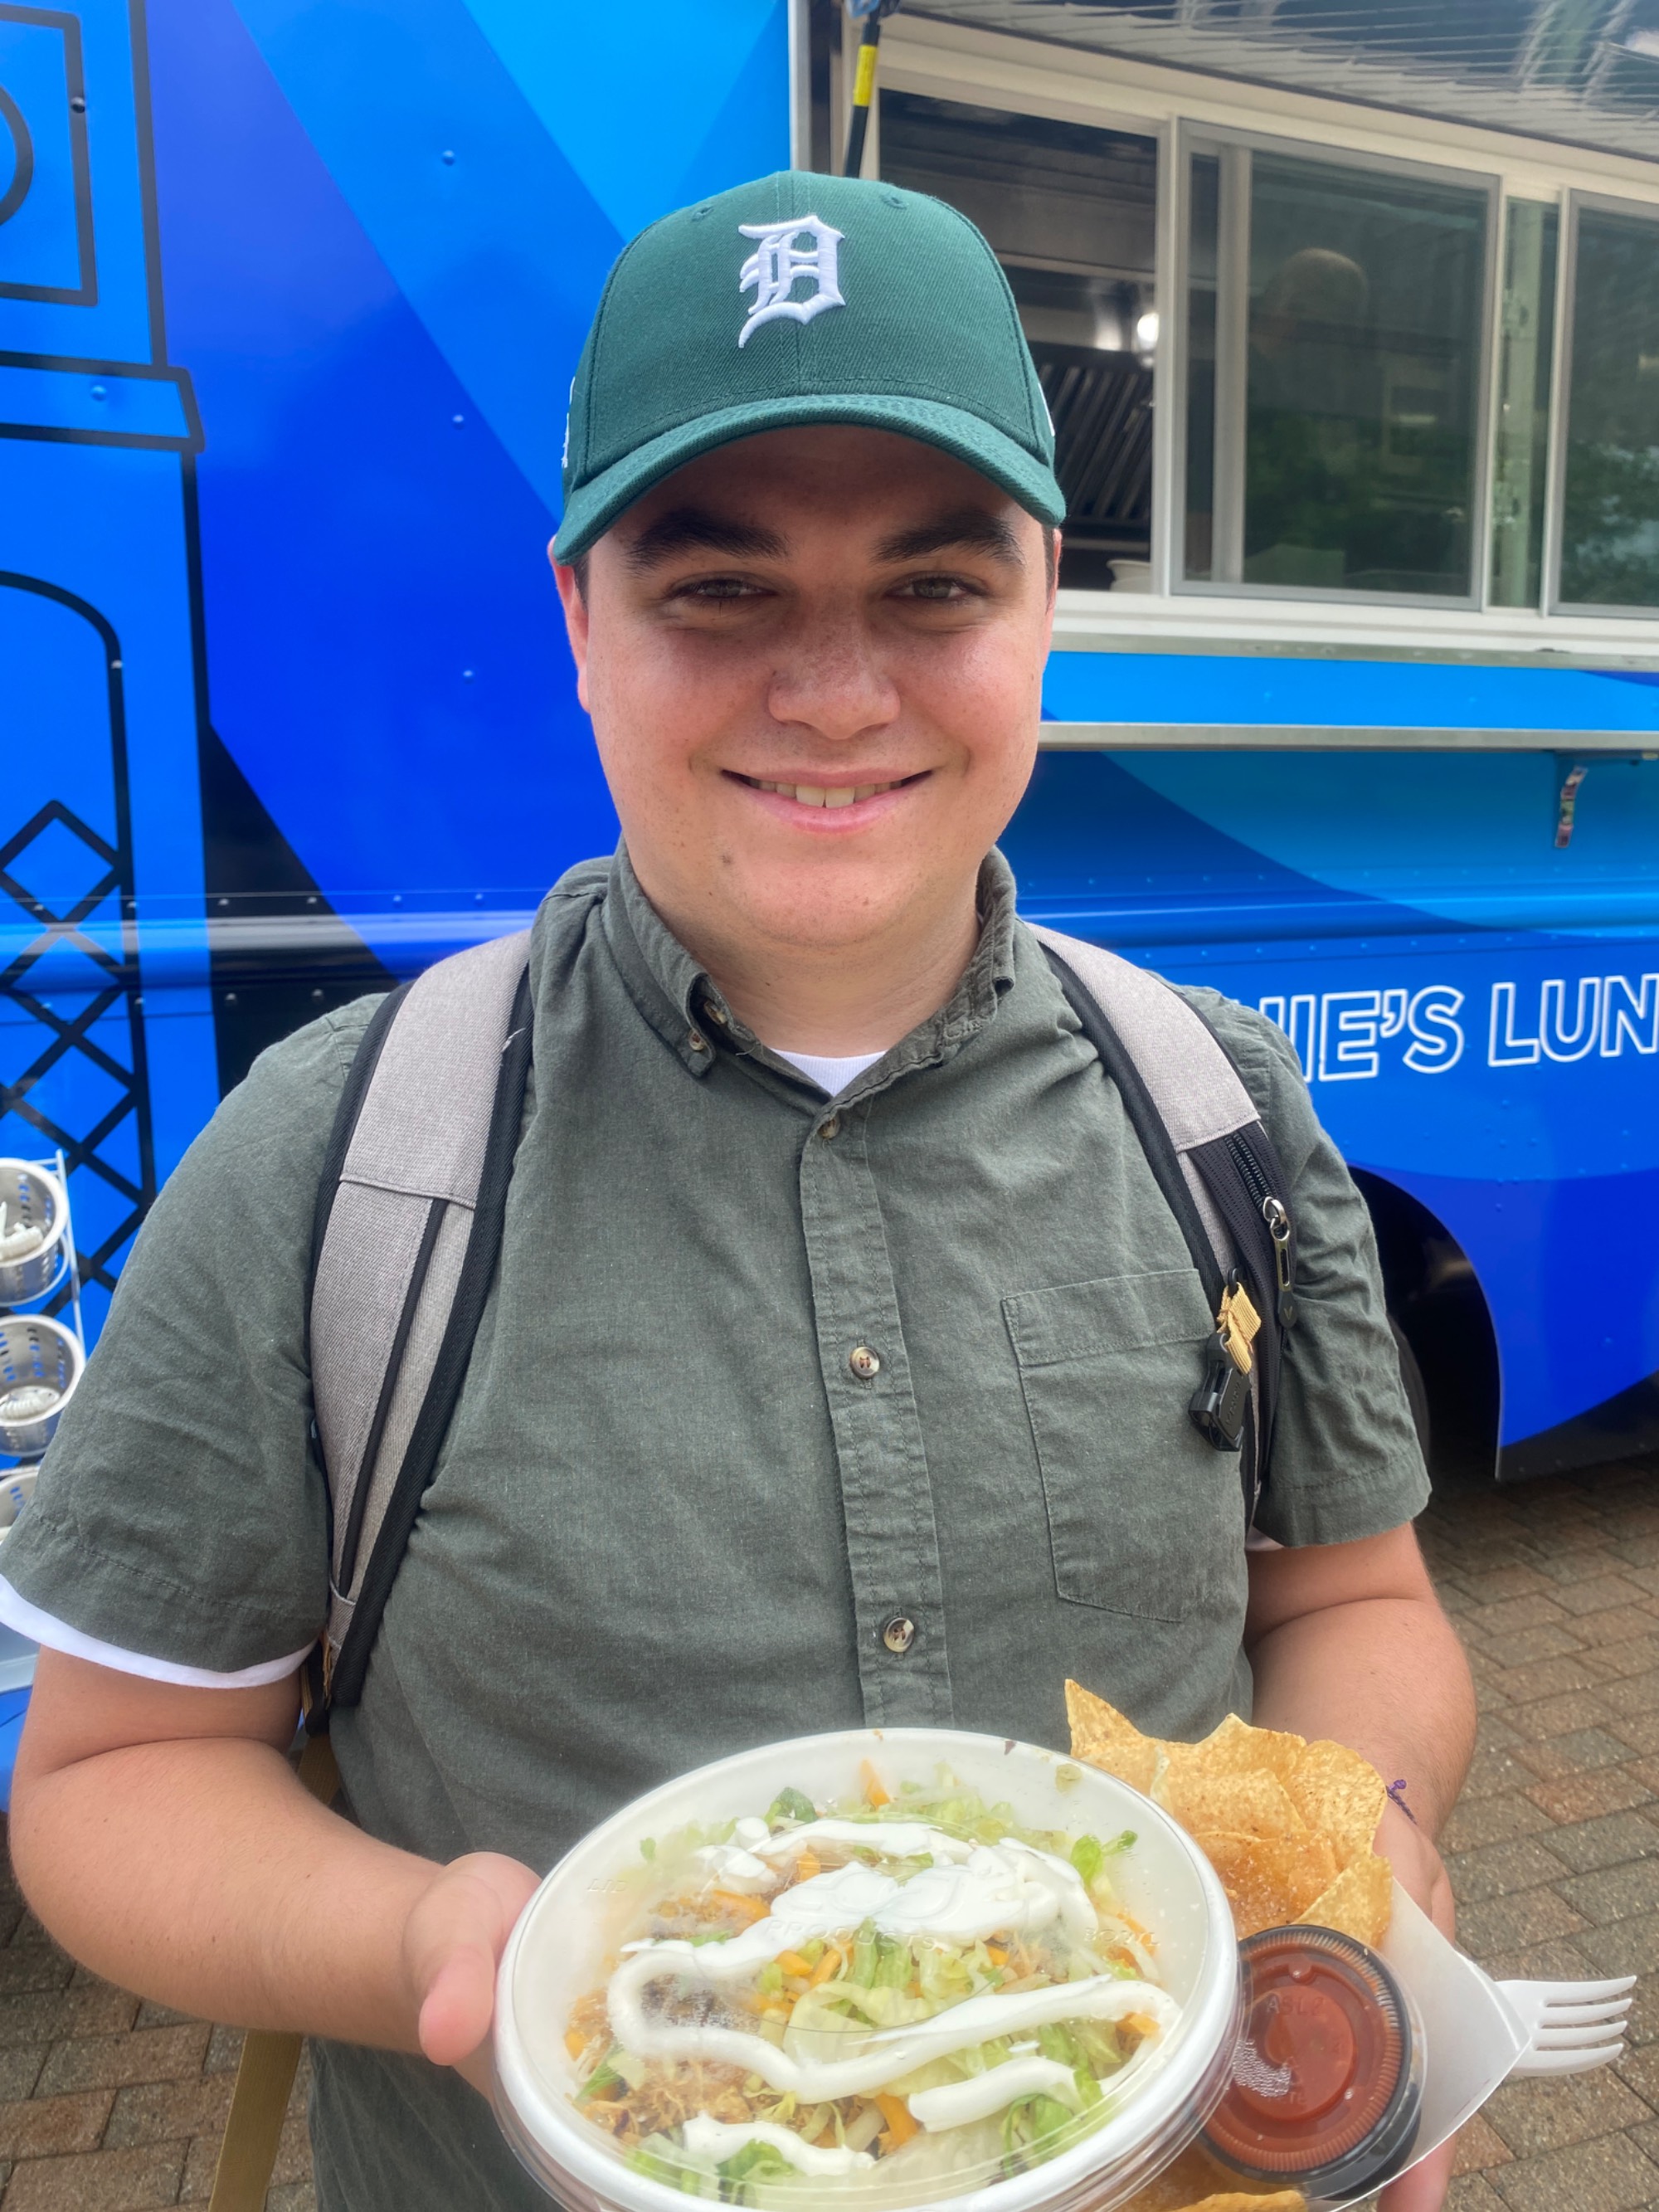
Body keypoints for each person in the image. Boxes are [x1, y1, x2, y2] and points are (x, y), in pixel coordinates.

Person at [2, 171, 1472, 2211]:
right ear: (578, 622)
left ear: (1046, 606)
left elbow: (1352, 1603)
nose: (838, 690)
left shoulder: (1213, 1110)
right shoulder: (337, 1159)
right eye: (721, 590)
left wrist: (1351, 1848)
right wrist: (433, 1947)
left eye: (935, 588)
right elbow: (112, 1774)